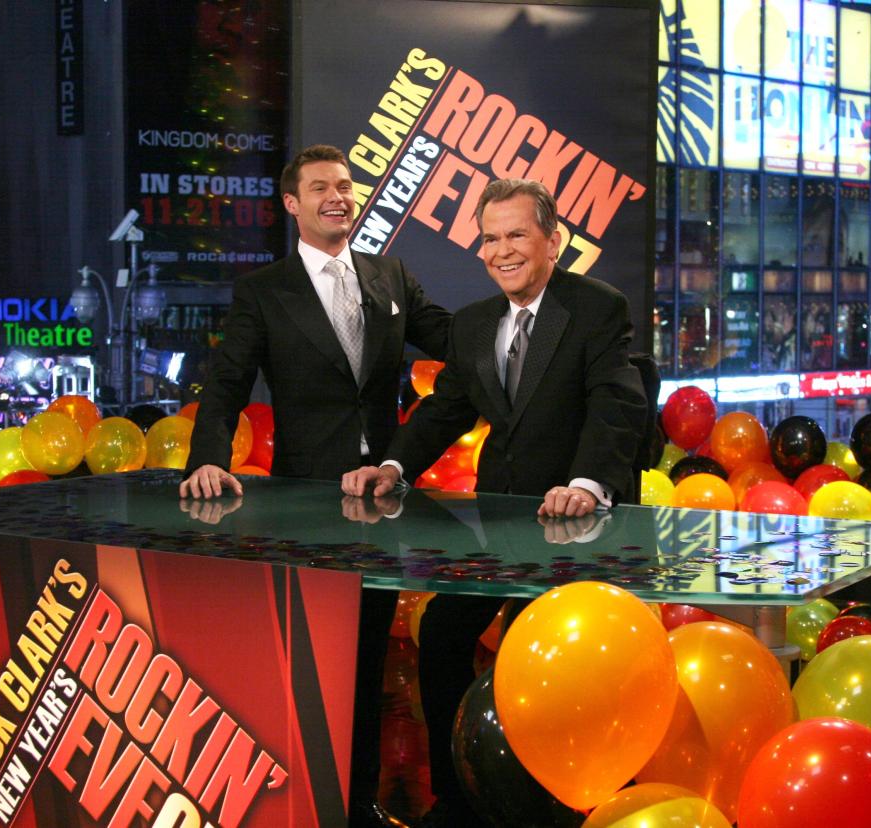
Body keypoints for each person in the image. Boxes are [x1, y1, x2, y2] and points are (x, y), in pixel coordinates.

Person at [341, 178, 646, 824]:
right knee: (446, 633)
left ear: (552, 242)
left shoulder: (598, 308)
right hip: (500, 529)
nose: (500, 250)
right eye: (489, 237)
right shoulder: (476, 323)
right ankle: (458, 797)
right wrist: (391, 465)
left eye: (516, 235)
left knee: (535, 660)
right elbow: (445, 407)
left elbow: (616, 405)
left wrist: (587, 485)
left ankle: (552, 803)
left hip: (576, 534)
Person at [180, 143, 451, 828]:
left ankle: (355, 806)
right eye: (321, 187)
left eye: (346, 186)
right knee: (308, 667)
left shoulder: (390, 275)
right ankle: (301, 807)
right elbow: (224, 390)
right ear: (292, 204)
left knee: (365, 670)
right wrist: (207, 459)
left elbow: (455, 338)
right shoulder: (263, 292)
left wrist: (521, 317)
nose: (338, 196)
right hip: (305, 512)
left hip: (383, 505)